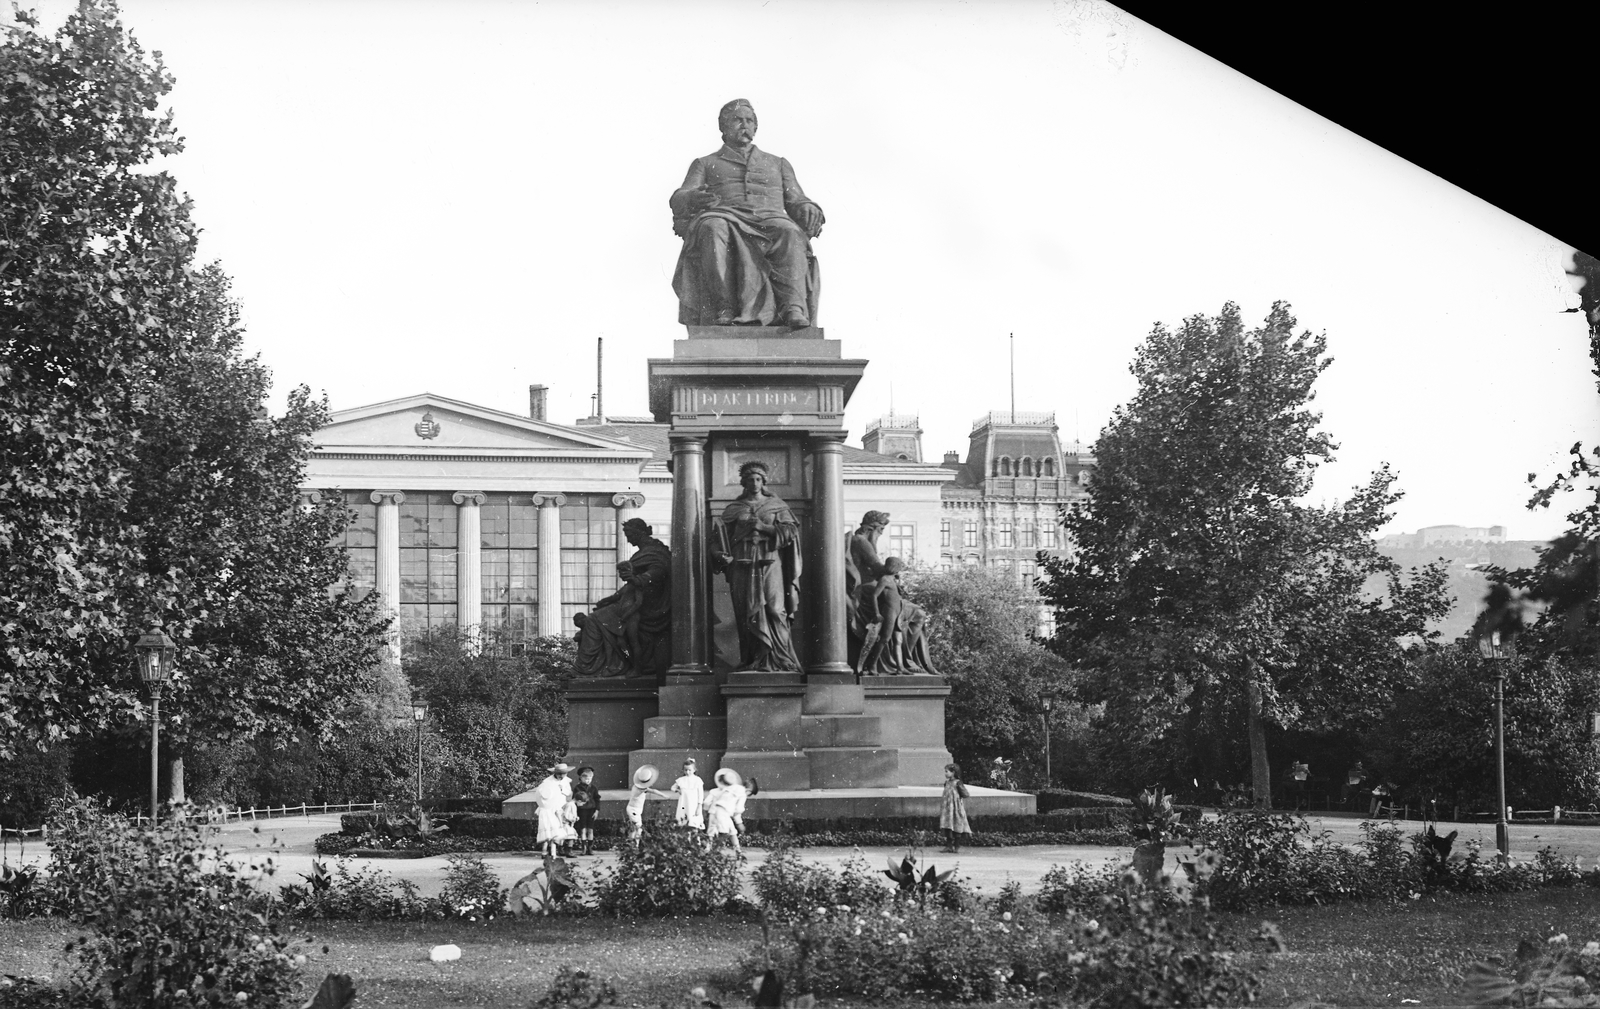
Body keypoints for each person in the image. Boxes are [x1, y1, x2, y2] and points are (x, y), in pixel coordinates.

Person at [670, 99, 824, 329]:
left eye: (749, 121)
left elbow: (797, 200)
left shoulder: (778, 163)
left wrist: (809, 208)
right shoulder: (705, 163)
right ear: (723, 127)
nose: (744, 125)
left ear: (755, 127)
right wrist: (691, 198)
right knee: (712, 228)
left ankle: (793, 307)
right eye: (737, 120)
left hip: (770, 219)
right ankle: (723, 306)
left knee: (790, 232)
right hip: (725, 215)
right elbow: (681, 196)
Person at [711, 460, 803, 671]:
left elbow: (791, 533)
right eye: (750, 479)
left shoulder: (777, 506)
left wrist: (764, 528)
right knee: (746, 613)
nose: (754, 482)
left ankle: (781, 659)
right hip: (742, 563)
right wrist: (719, 554)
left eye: (758, 479)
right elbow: (717, 539)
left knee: (774, 608)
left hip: (770, 561)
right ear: (743, 482)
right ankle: (752, 660)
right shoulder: (734, 508)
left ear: (764, 482)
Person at [620, 518, 672, 677]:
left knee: (599, 622)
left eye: (629, 534)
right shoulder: (647, 550)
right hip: (638, 600)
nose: (628, 539)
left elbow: (659, 569)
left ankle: (633, 667)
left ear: (639, 532)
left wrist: (639, 579)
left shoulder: (653, 550)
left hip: (650, 604)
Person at [573, 561, 643, 678]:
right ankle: (629, 665)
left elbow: (638, 603)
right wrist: (602, 601)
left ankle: (637, 669)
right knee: (621, 642)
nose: (620, 575)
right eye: (620, 572)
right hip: (622, 617)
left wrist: (626, 615)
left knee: (633, 642)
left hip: (631, 617)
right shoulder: (626, 587)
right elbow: (614, 597)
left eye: (622, 571)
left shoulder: (637, 585)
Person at [533, 762, 578, 859]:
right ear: (555, 773)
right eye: (560, 774)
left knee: (561, 829)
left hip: (562, 808)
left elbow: (569, 794)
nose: (562, 776)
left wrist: (563, 791)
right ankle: (550, 851)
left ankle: (560, 849)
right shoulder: (548, 782)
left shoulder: (566, 781)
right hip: (550, 809)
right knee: (551, 830)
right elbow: (543, 796)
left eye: (564, 773)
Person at [704, 768, 748, 852]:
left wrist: (707, 810)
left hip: (714, 812)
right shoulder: (732, 792)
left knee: (712, 830)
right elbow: (737, 809)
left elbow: (706, 802)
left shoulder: (715, 791)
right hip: (722, 813)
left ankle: (709, 847)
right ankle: (725, 848)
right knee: (727, 830)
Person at [626, 765, 669, 843]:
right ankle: (634, 844)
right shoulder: (641, 789)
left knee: (635, 828)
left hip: (634, 810)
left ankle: (634, 844)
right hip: (634, 810)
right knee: (638, 828)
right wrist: (664, 795)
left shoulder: (636, 786)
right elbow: (654, 791)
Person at [939, 762, 971, 854]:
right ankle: (949, 846)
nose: (945, 773)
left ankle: (957, 846)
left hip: (956, 809)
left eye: (947, 771)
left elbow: (965, 794)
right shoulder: (947, 783)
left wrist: (956, 798)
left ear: (953, 772)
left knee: (957, 825)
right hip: (948, 809)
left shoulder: (957, 783)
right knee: (948, 825)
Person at [570, 766, 601, 856]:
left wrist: (597, 811)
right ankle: (584, 848)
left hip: (591, 810)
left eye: (590, 778)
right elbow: (575, 800)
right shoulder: (577, 788)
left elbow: (597, 799)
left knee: (590, 830)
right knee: (583, 829)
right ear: (581, 778)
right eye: (586, 778)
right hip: (582, 811)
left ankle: (590, 848)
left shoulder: (593, 788)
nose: (588, 780)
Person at [669, 758, 706, 829]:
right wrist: (677, 790)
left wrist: (699, 806)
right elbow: (672, 787)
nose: (688, 772)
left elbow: (700, 794)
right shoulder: (681, 780)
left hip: (693, 804)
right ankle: (686, 837)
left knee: (693, 821)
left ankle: (695, 837)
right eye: (686, 770)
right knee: (684, 819)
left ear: (694, 770)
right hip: (684, 803)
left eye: (690, 770)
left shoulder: (697, 780)